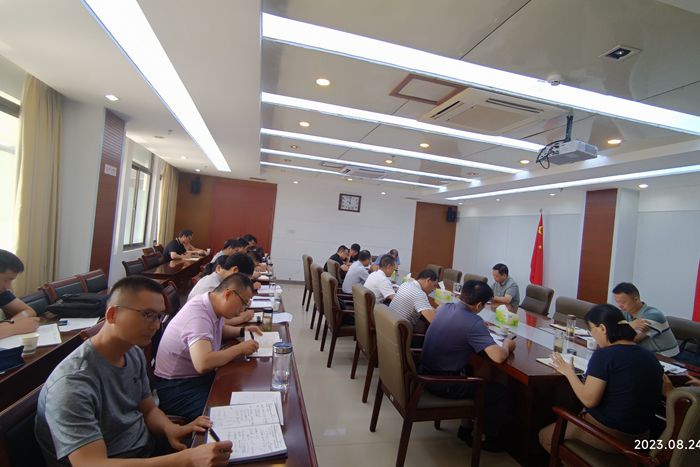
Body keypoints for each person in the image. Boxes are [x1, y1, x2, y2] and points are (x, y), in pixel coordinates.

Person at [35, 275, 232, 466]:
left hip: (148, 450)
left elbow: (148, 409)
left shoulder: (132, 353)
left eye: (159, 316)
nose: (156, 325)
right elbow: (93, 463)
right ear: (112, 315)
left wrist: (169, 428)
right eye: (147, 315)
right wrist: (186, 459)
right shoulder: (72, 384)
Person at [539, 304, 664, 454]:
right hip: (642, 438)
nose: (592, 336)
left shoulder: (605, 355)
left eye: (591, 330)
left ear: (603, 328)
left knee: (545, 437)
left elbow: (589, 400)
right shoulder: (650, 356)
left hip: (610, 436)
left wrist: (568, 372)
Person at [419, 280, 516, 452]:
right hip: (443, 384)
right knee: (498, 392)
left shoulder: (444, 308)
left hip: (424, 373)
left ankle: (465, 429)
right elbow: (498, 357)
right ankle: (491, 440)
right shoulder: (474, 322)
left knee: (473, 369)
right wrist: (507, 344)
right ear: (479, 305)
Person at [154, 274, 262, 421]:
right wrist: (239, 349)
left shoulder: (210, 304)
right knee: (226, 415)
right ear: (228, 294)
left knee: (238, 387)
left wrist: (243, 331)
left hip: (194, 378)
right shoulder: (198, 315)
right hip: (177, 388)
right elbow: (203, 363)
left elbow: (217, 330)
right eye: (243, 303)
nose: (243, 309)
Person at [612, 282, 679, 357]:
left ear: (636, 299)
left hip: (667, 357)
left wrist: (620, 328)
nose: (619, 306)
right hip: (645, 355)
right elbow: (608, 330)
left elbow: (630, 340)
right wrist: (631, 325)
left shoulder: (653, 315)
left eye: (623, 302)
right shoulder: (624, 313)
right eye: (617, 302)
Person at [0, 249, 40, 339]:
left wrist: (11, 323)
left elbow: (28, 311)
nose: (8, 287)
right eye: (6, 280)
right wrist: (14, 327)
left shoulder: (2, 292)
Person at [389, 269, 437, 340]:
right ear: (428, 280)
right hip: (401, 334)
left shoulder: (405, 284)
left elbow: (421, 304)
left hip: (390, 324)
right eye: (434, 285)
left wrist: (432, 309)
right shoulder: (419, 293)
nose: (433, 289)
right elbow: (434, 321)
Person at [188, 253, 256, 303]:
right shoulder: (213, 287)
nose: (243, 284)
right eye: (244, 280)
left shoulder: (219, 279)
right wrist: (244, 316)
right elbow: (225, 315)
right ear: (235, 270)